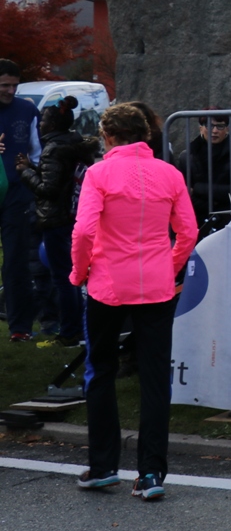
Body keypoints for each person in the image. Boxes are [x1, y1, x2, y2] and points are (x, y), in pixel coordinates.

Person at [72, 103, 198, 500]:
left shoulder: (99, 173)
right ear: (145, 135)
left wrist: (79, 271)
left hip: (108, 282)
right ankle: (151, 473)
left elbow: (84, 231)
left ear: (108, 137)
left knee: (101, 370)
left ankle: (103, 465)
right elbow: (189, 231)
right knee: (155, 376)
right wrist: (169, 265)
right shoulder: (170, 173)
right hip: (155, 283)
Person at [14, 97, 91, 344]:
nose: (40, 124)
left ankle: (69, 331)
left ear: (53, 124)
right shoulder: (72, 143)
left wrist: (25, 172)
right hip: (73, 215)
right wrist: (33, 167)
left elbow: (49, 189)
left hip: (56, 219)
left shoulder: (53, 149)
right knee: (73, 275)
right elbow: (60, 178)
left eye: (44, 120)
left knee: (63, 277)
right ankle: (76, 327)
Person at [0, 59, 41, 341]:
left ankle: (20, 327)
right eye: (5, 85)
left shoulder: (27, 110)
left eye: (14, 85)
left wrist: (32, 171)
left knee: (16, 260)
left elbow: (37, 152)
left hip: (16, 194)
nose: (10, 91)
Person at [179, 112, 231, 221]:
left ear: (227, 129)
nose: (214, 131)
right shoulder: (188, 156)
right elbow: (183, 192)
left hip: (228, 215)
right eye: (209, 126)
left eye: (220, 126)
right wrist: (209, 205)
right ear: (201, 128)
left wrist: (198, 188)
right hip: (196, 215)